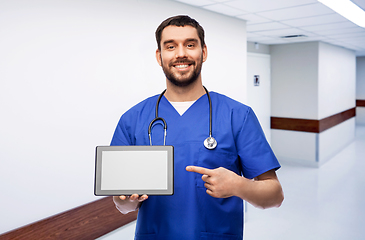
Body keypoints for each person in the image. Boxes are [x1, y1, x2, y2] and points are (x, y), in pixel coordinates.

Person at [111, 15, 284, 240]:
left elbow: (275, 195)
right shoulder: (132, 119)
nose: (181, 53)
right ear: (159, 55)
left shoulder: (237, 115)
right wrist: (128, 200)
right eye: (170, 46)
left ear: (203, 52)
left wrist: (238, 185)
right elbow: (122, 205)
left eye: (190, 45)